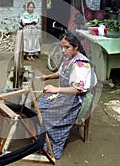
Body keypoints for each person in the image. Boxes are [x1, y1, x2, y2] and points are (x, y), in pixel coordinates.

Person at [37, 31, 97, 159]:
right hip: (65, 95)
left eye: (67, 47)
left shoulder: (81, 64)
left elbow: (79, 89)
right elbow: (62, 73)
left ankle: (51, 147)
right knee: (38, 106)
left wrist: (56, 89)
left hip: (76, 99)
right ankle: (42, 139)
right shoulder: (68, 58)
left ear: (76, 47)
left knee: (46, 114)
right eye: (61, 47)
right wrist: (47, 77)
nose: (63, 50)